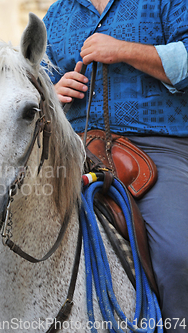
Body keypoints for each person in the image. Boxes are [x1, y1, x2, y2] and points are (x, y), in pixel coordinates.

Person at [43, 0, 188, 330]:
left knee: (180, 256)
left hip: (157, 146)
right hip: (73, 149)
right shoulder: (58, 12)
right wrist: (52, 91)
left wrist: (123, 50)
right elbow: (36, 79)